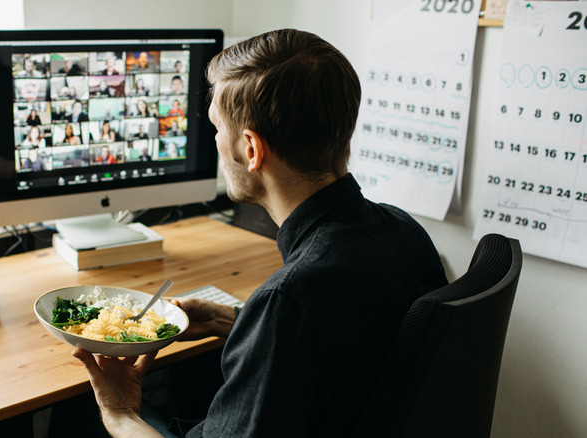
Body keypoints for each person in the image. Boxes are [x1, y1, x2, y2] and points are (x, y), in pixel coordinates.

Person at [71, 29, 448, 437]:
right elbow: (348, 348)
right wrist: (230, 319)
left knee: (74, 416)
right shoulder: (405, 232)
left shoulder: (289, 301)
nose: (215, 141)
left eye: (217, 128)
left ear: (251, 149)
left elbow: (300, 317)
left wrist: (119, 412)